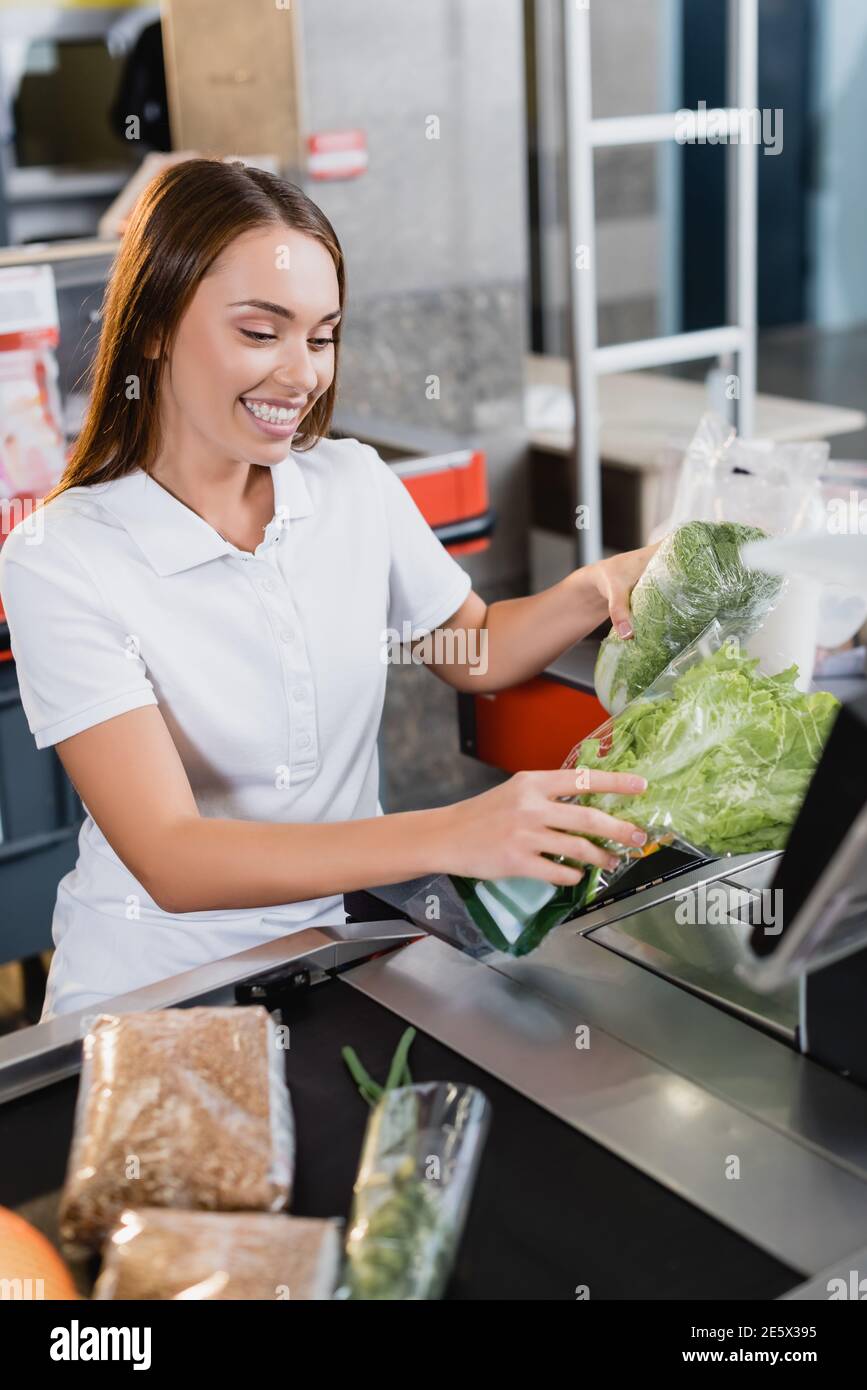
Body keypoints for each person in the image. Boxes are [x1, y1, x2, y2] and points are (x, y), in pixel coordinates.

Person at [0, 159, 654, 1020]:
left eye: (321, 337)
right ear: (154, 327)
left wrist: (594, 587)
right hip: (155, 994)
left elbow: (472, 647)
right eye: (259, 332)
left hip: (335, 957)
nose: (302, 375)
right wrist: (455, 831)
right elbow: (171, 857)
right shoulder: (62, 554)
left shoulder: (351, 484)